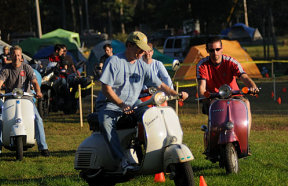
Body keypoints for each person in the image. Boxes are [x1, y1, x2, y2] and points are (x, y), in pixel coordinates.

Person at [95, 31, 188, 173]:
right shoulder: (114, 61)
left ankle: (153, 154)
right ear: (129, 45)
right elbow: (106, 89)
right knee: (105, 123)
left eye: (144, 49)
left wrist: (177, 94)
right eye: (139, 48)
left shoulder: (142, 65)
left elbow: (159, 84)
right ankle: (121, 161)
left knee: (152, 116)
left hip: (134, 104)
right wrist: (121, 104)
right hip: (110, 104)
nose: (142, 52)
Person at [0, 45, 50, 160]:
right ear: (10, 56)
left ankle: (43, 147)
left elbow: (34, 82)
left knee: (37, 119)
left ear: (21, 57)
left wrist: (38, 91)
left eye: (18, 55)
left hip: (27, 99)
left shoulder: (26, 68)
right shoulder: (5, 69)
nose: (16, 57)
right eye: (14, 55)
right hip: (10, 100)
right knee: (0, 120)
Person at [196, 36, 259, 136]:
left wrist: (253, 87)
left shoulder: (231, 62)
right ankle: (212, 140)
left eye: (217, 49)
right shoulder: (202, 65)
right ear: (207, 50)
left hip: (234, 95)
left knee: (246, 103)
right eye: (211, 50)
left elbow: (245, 78)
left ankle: (245, 138)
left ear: (222, 49)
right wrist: (203, 95)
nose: (215, 53)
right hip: (214, 97)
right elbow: (201, 86)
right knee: (214, 122)